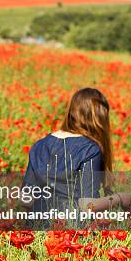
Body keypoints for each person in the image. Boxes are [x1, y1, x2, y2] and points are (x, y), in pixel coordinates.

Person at [22, 88, 115, 216]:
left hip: (36, 230)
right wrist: (119, 199)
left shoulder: (39, 145)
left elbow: (25, 199)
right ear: (100, 117)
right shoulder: (90, 150)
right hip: (71, 231)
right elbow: (87, 205)